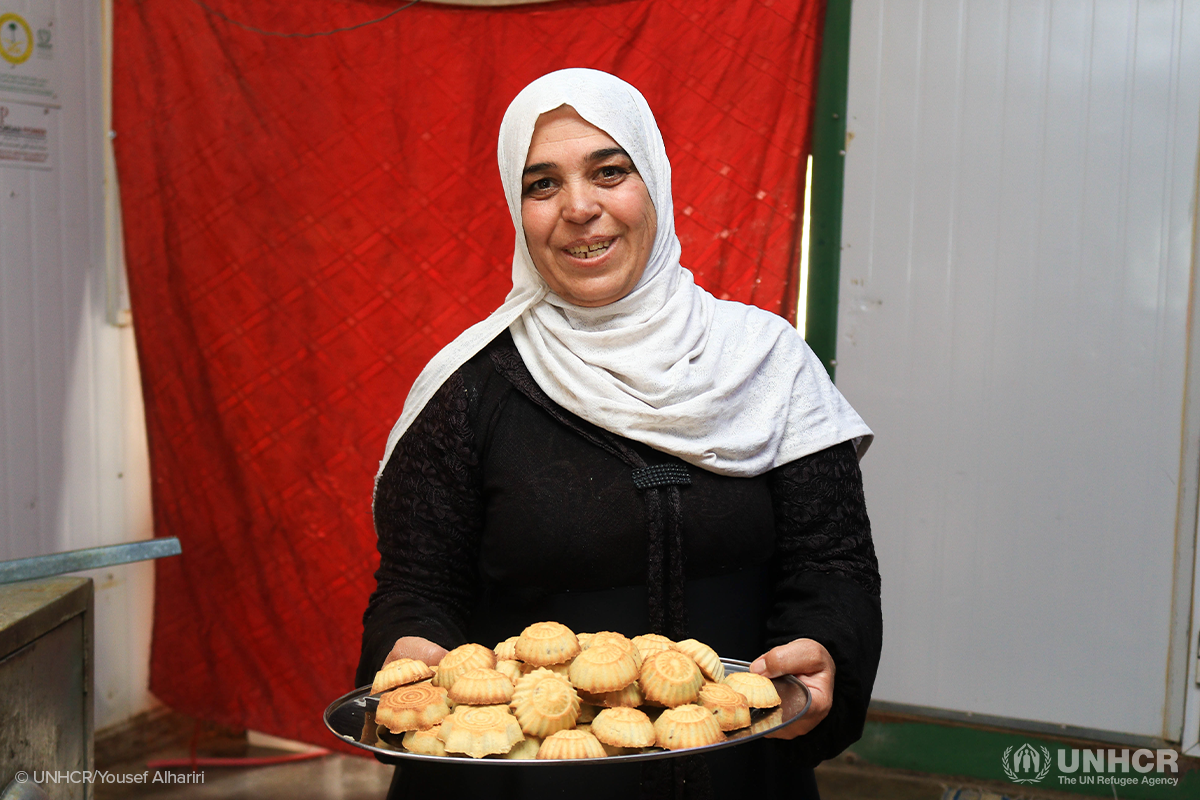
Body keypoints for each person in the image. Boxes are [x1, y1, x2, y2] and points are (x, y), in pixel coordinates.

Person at [356, 68, 881, 800]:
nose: (579, 207)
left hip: (738, 775)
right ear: (517, 206)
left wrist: (825, 644)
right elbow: (418, 585)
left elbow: (833, 564)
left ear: (654, 182)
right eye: (542, 185)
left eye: (609, 171)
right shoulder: (466, 387)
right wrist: (411, 657)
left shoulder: (767, 362)